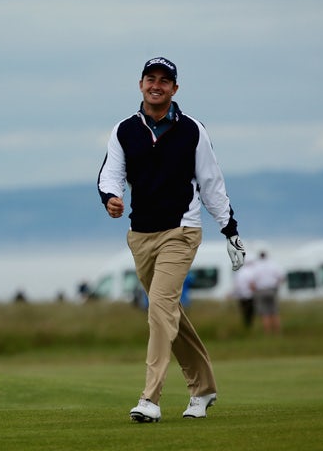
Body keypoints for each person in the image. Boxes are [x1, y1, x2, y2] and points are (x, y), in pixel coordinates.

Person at [97, 57, 245, 423]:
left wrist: (230, 229)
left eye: (165, 80)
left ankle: (150, 398)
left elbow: (211, 182)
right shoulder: (124, 130)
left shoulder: (193, 130)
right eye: (151, 79)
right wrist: (111, 199)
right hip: (141, 235)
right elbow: (109, 174)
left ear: (175, 89)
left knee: (159, 309)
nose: (157, 85)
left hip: (182, 230)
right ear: (141, 84)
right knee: (169, 314)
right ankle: (204, 388)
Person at [250, 251, 284, 334]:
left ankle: (267, 332)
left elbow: (252, 282)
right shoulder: (273, 265)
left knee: (265, 313)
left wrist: (255, 292)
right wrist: (276, 287)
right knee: (274, 312)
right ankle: (277, 332)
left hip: (261, 291)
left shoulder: (256, 266)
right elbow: (281, 278)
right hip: (272, 290)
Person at [231, 257, 256, 329]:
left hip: (241, 296)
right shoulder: (251, 272)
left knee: (244, 312)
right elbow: (252, 284)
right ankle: (249, 326)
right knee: (250, 313)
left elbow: (236, 285)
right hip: (249, 295)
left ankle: (246, 326)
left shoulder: (240, 272)